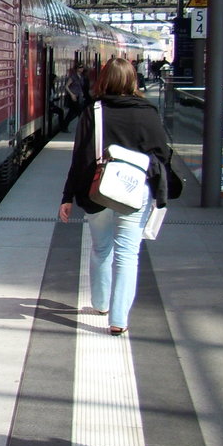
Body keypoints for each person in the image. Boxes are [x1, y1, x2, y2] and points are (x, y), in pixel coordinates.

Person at [58, 57, 171, 335]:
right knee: (127, 255)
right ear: (133, 80)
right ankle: (119, 320)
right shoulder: (148, 112)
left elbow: (80, 159)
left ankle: (99, 303)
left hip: (99, 191)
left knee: (101, 249)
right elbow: (162, 154)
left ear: (104, 79)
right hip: (135, 193)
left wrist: (68, 197)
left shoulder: (93, 111)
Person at [61, 64, 84, 131]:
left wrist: (82, 93)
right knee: (79, 112)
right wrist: (72, 94)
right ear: (77, 68)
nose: (82, 69)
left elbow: (80, 86)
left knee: (73, 112)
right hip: (73, 97)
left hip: (79, 96)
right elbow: (66, 86)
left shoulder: (81, 77)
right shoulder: (73, 77)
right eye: (80, 67)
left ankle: (64, 125)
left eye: (82, 67)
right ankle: (82, 127)